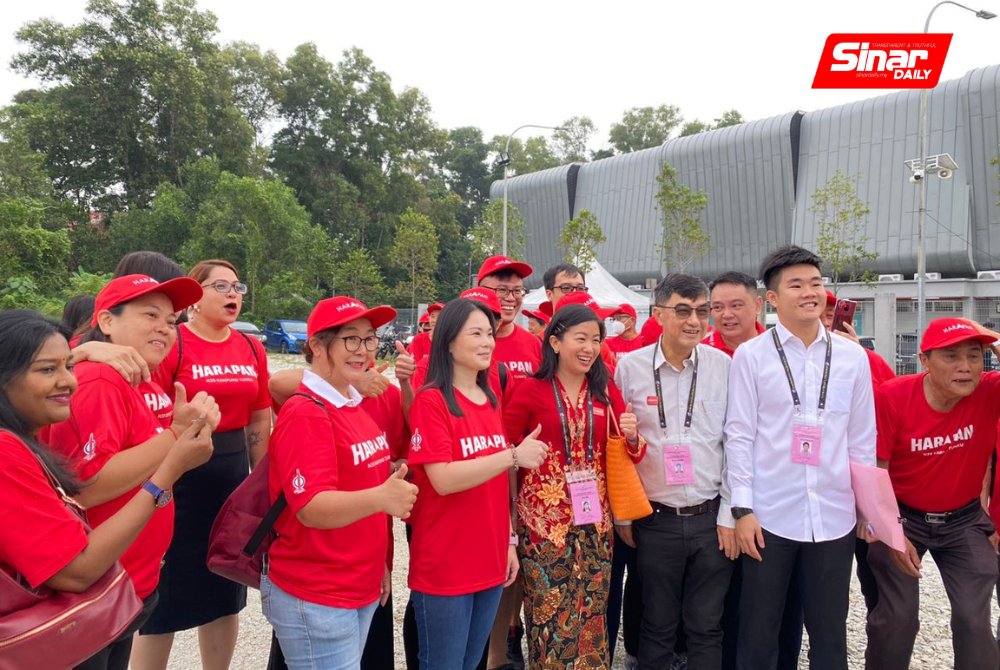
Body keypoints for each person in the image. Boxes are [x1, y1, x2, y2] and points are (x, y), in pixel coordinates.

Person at [0, 310, 214, 670]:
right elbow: (77, 570)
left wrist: (84, 351)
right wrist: (169, 469)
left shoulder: (23, 438)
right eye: (48, 370)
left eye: (68, 366)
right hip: (53, 630)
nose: (69, 381)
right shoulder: (7, 452)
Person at [725, 245, 876, 670]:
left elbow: (862, 438)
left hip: (834, 515)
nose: (810, 292)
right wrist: (742, 509)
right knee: (759, 632)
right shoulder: (751, 357)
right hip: (769, 516)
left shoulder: (852, 358)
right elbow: (739, 436)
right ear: (772, 298)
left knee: (830, 634)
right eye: (796, 285)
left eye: (816, 283)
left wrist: (866, 508)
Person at [261, 295, 417, 670]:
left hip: (358, 582)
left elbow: (362, 490)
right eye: (351, 339)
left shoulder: (354, 404)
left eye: (369, 339)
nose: (363, 350)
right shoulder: (306, 412)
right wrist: (382, 496)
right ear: (317, 344)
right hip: (317, 590)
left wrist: (378, 560)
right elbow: (311, 507)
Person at [134, 259, 272, 670]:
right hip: (178, 477)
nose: (233, 294)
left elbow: (260, 418)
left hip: (230, 479)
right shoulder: (173, 343)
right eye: (221, 286)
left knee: (224, 593)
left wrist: (262, 484)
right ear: (194, 297)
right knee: (164, 601)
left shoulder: (250, 347)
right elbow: (148, 413)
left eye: (237, 286)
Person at [406, 298, 547, 670]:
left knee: (471, 663)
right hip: (446, 563)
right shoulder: (432, 400)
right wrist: (513, 455)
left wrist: (509, 543)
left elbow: (497, 485)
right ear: (449, 341)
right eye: (476, 333)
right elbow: (444, 479)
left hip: (489, 558)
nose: (487, 342)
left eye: (489, 333)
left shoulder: (488, 399)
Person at [503, 303, 641, 668]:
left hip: (596, 526)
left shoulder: (605, 389)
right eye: (580, 338)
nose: (589, 348)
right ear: (554, 342)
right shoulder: (530, 390)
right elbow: (505, 449)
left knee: (593, 615)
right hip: (543, 528)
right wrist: (518, 454)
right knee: (550, 619)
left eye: (595, 340)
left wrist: (631, 436)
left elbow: (627, 450)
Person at [614, 273, 737, 670]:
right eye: (683, 311)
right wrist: (624, 513)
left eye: (702, 312)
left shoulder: (723, 366)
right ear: (658, 314)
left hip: (710, 518)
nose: (695, 321)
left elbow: (735, 445)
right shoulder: (630, 369)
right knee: (657, 624)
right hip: (655, 519)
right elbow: (617, 447)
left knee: (706, 625)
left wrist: (730, 514)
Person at [865, 318, 1000, 670]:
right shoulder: (893, 395)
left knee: (974, 619)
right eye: (951, 356)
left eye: (975, 356)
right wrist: (892, 532)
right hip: (903, 516)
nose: (965, 367)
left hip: (964, 520)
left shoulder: (989, 390)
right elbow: (877, 469)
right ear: (924, 360)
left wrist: (995, 341)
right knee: (898, 620)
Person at [705, 271, 803, 670]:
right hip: (719, 496)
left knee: (785, 596)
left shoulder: (794, 350)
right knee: (726, 596)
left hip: (781, 497)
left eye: (736, 305)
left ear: (759, 304)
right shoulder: (698, 352)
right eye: (717, 307)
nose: (726, 315)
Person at [477, 254, 542, 383]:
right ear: (481, 291)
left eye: (517, 291)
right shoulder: (461, 344)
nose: (511, 298)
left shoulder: (534, 344)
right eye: (502, 290)